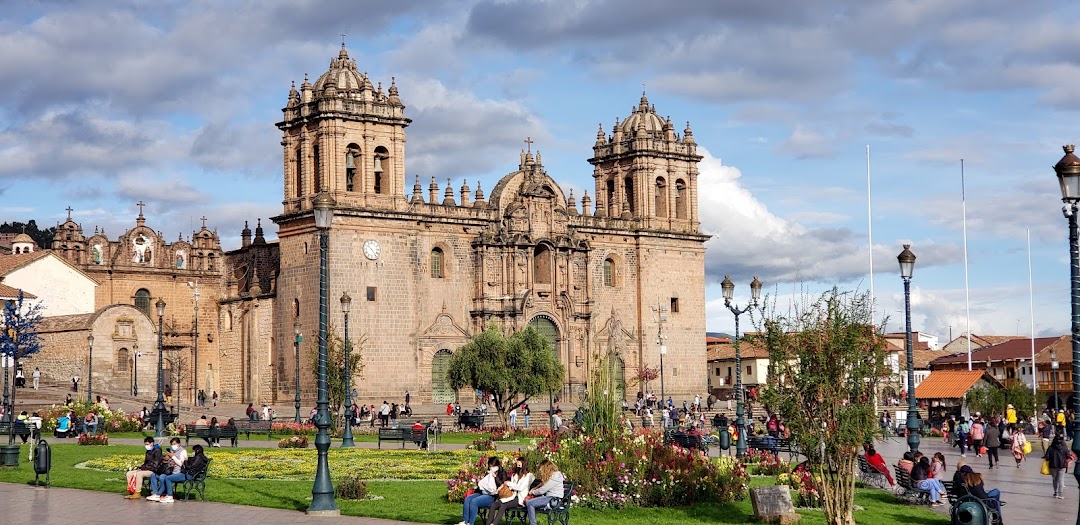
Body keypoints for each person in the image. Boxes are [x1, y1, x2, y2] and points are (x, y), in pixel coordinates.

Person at [457, 457, 508, 525]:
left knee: (474, 502)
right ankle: (465, 521)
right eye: (490, 466)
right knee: (467, 499)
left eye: (493, 466)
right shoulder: (488, 472)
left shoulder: (502, 473)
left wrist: (495, 477)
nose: (491, 468)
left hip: (492, 496)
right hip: (482, 492)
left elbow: (501, 485)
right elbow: (484, 483)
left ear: (498, 465)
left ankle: (471, 523)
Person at [484, 456, 534, 525]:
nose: (517, 467)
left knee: (503, 506)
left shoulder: (528, 476)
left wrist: (509, 483)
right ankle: (488, 523)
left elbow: (520, 487)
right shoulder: (515, 475)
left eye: (519, 465)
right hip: (511, 495)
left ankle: (493, 524)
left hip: (519, 498)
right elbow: (512, 487)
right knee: (494, 505)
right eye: (517, 465)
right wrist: (504, 487)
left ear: (523, 465)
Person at [148, 438, 188, 503]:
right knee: (153, 475)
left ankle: (159, 494)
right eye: (172, 444)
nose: (173, 446)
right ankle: (154, 493)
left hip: (177, 472)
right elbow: (167, 462)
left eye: (174, 444)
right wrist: (166, 459)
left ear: (179, 444)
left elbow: (181, 464)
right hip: (168, 471)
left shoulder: (183, 451)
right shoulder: (171, 451)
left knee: (162, 477)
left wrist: (173, 457)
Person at [526, 459, 565, 525]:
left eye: (541, 469)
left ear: (546, 468)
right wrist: (534, 488)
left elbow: (542, 490)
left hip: (553, 500)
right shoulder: (553, 475)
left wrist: (532, 492)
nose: (540, 471)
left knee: (530, 503)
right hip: (550, 498)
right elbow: (543, 484)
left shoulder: (555, 476)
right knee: (530, 502)